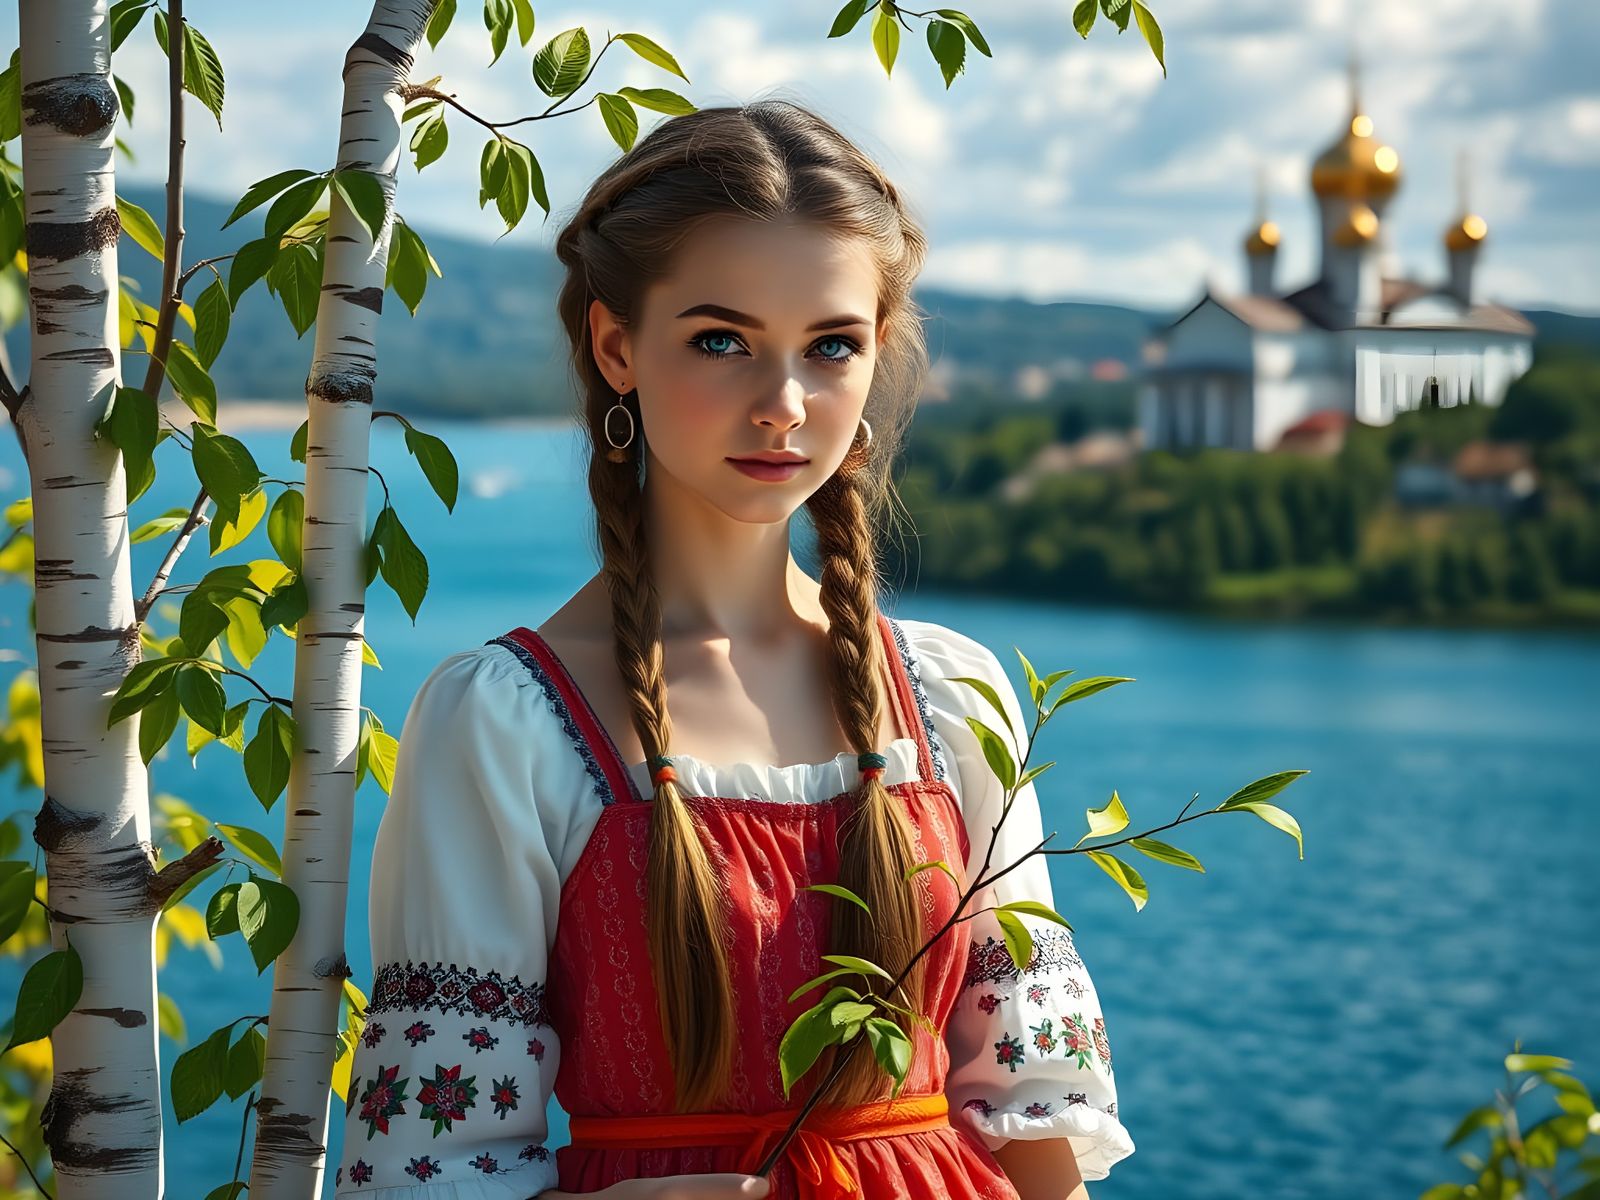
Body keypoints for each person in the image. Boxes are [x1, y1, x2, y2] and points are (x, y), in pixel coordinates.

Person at [332, 98, 1133, 1199]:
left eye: (831, 347)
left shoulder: (954, 700)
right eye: (722, 341)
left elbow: (1035, 1124)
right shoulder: (506, 721)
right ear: (616, 346)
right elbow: (427, 1174)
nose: (783, 403)